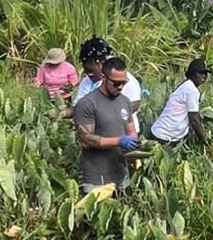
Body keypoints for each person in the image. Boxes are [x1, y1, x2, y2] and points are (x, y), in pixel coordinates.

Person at [74, 57, 139, 194]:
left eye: (123, 83)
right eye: (116, 83)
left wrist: (134, 145)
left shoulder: (125, 102)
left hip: (121, 172)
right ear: (104, 77)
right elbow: (86, 140)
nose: (120, 87)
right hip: (97, 177)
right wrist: (120, 141)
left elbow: (130, 129)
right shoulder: (87, 104)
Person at [73, 36, 142, 131]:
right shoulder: (88, 81)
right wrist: (64, 113)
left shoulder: (124, 79)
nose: (87, 73)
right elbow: (79, 105)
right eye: (85, 70)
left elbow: (133, 106)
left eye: (90, 70)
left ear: (101, 63)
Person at [149, 58, 210, 145]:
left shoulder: (185, 85)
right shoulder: (192, 90)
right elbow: (194, 119)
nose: (204, 76)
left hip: (159, 132)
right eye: (200, 73)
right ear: (193, 74)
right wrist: (203, 140)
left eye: (205, 73)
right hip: (165, 136)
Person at [34, 48, 80, 118]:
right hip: (49, 98)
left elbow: (74, 81)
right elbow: (39, 79)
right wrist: (37, 83)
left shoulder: (69, 67)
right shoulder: (44, 67)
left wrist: (68, 86)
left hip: (65, 98)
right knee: (50, 117)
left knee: (64, 116)